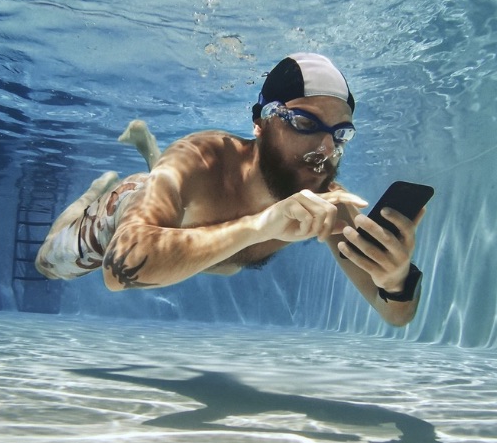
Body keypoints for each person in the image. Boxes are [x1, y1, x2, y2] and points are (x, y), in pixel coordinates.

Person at [35, 53, 427, 326]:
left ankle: (146, 149)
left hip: (186, 224)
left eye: (340, 134)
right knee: (49, 265)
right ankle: (94, 191)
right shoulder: (203, 157)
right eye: (306, 124)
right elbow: (116, 275)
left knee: (214, 256)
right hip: (123, 213)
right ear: (261, 121)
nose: (326, 149)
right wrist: (261, 226)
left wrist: (395, 281)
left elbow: (394, 314)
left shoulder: (327, 203)